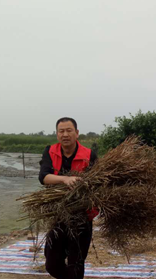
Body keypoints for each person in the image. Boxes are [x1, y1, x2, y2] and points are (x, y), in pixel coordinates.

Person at [39, 117, 98, 279]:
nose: (65, 134)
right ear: (57, 134)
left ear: (77, 133)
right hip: (58, 214)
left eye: (69, 130)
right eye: (61, 131)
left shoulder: (90, 155)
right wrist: (65, 179)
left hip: (82, 216)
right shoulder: (50, 151)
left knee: (76, 263)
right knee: (52, 264)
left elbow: (98, 185)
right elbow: (43, 177)